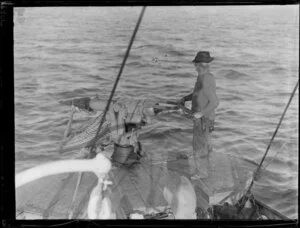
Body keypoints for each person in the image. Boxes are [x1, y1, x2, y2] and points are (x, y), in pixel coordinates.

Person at [179, 51, 219, 179]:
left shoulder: (205, 79)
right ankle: (206, 169)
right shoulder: (204, 77)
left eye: (195, 64)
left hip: (203, 119)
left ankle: (202, 173)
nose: (194, 67)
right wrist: (186, 98)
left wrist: (200, 113)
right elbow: (198, 94)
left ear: (199, 65)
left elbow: (214, 102)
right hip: (204, 118)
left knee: (199, 146)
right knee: (204, 144)